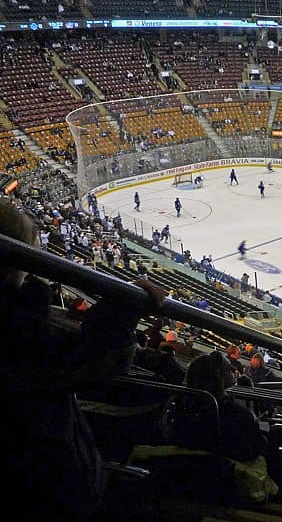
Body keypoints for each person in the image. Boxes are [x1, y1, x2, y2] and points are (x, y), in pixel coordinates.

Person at [0, 199, 167, 519]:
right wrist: (125, 304)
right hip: (46, 491)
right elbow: (94, 359)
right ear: (14, 262)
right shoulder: (17, 326)